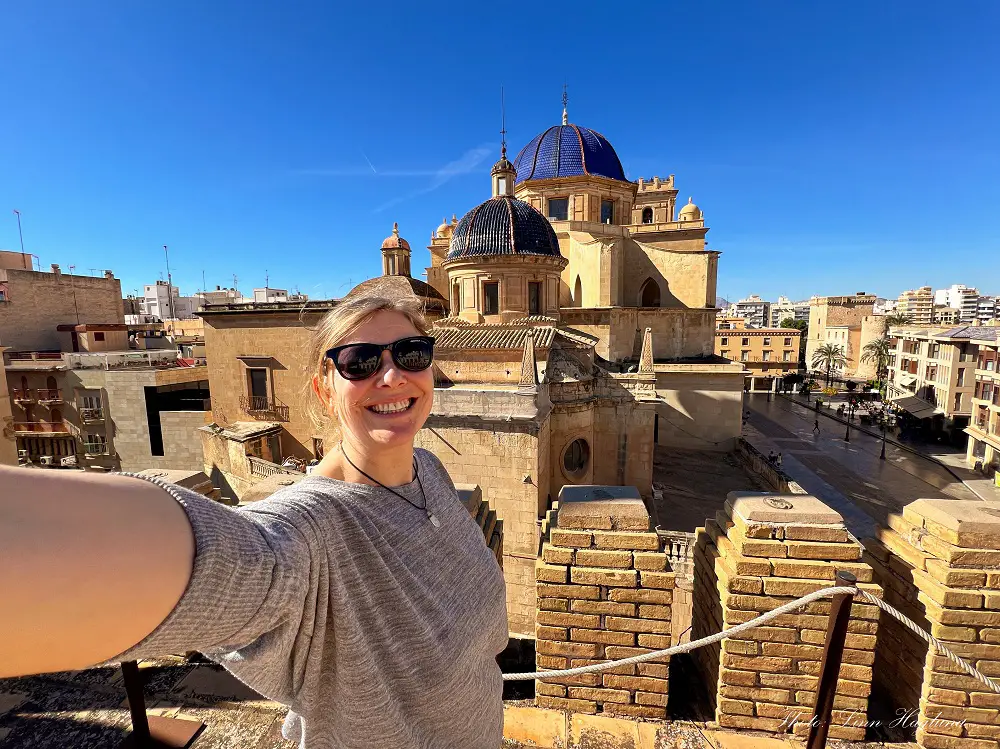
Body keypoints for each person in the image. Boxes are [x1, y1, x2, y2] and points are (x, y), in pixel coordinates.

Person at [1, 295, 508, 749]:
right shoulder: (311, 531)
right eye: (361, 362)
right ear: (324, 388)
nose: (393, 376)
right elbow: (231, 560)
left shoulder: (431, 470)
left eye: (412, 353)